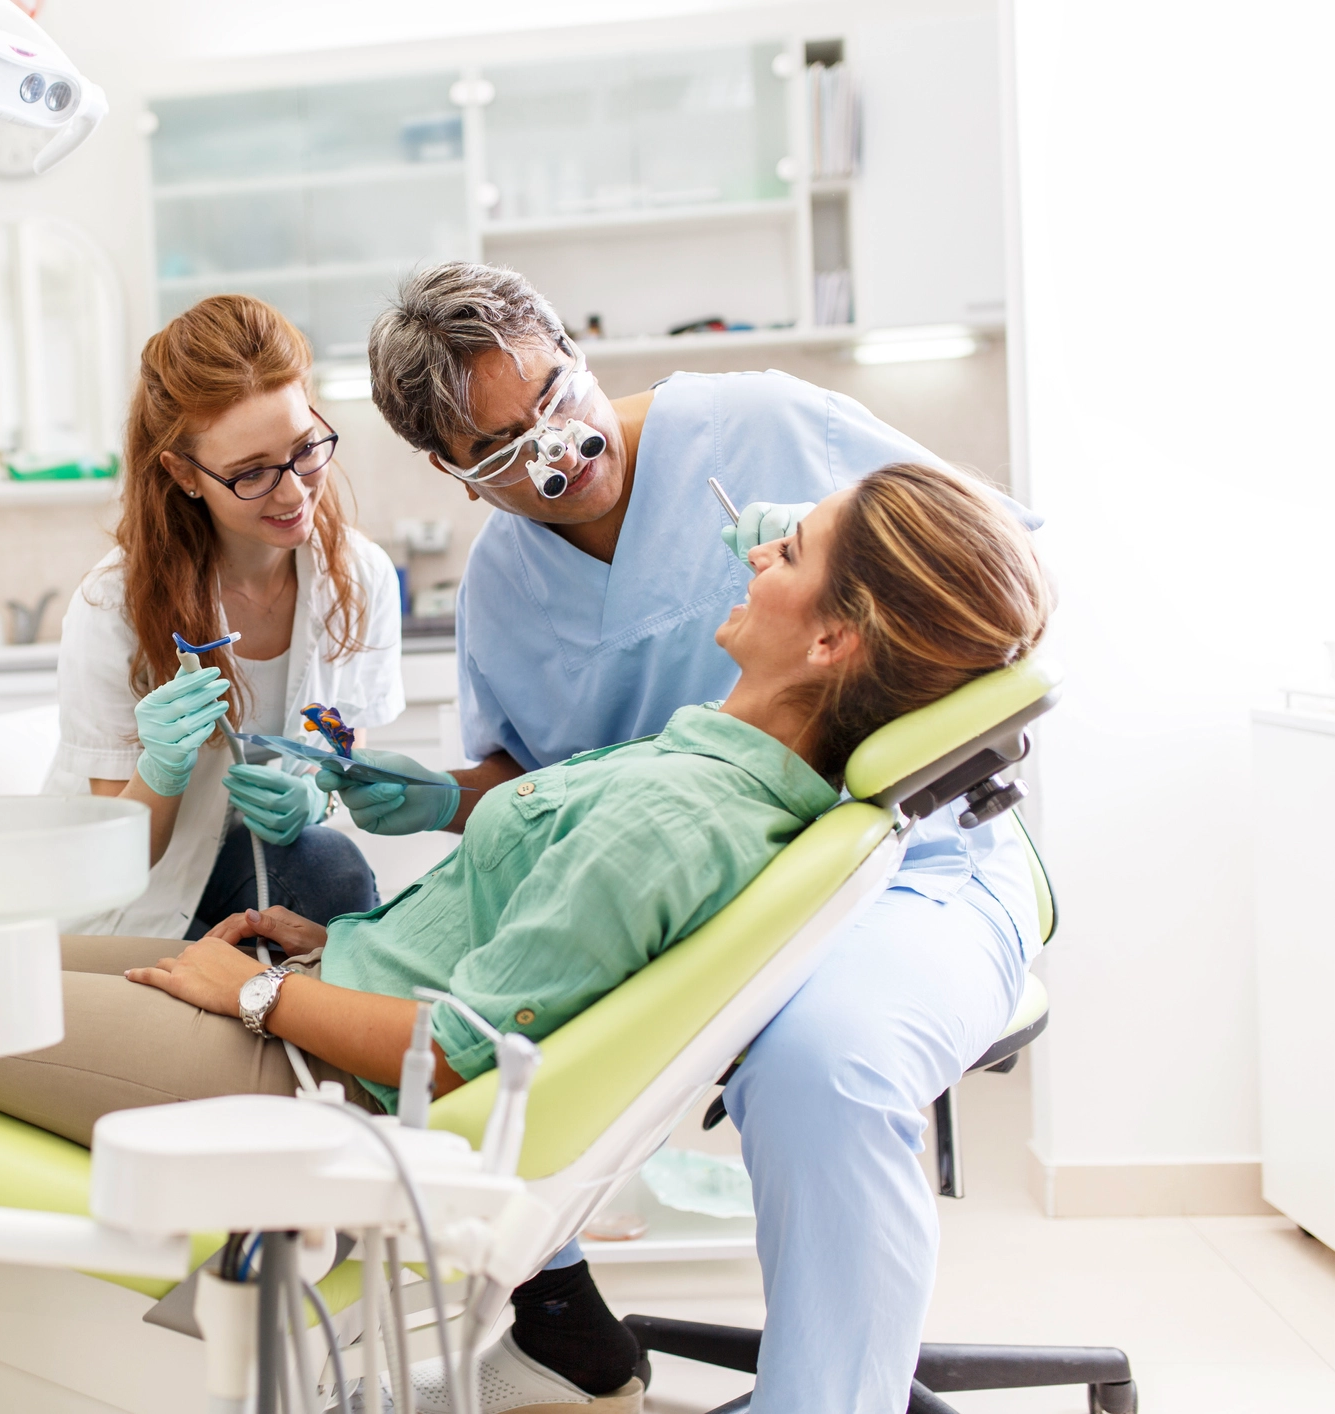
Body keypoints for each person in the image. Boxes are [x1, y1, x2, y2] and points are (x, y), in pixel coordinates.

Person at [0, 464, 1051, 1414]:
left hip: (299, 1070)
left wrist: (251, 997)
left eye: (792, 553)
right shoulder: (709, 769)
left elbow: (455, 1048)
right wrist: (331, 938)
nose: (756, 547)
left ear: (840, 642)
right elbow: (512, 950)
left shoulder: (676, 817)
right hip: (314, 993)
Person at [340, 262, 1049, 1414]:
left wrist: (841, 602)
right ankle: (556, 1312)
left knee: (823, 1062)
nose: (555, 450)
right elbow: (540, 782)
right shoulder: (505, 591)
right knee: (471, 1009)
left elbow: (1002, 574)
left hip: (908, 867)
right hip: (691, 910)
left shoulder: (762, 427)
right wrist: (435, 795)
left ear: (576, 345)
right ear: (453, 475)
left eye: (555, 401)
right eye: (503, 451)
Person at [45, 295, 405, 939]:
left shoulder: (361, 574)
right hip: (139, 899)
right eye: (252, 473)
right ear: (184, 473)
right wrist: (159, 772)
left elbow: (347, 742)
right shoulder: (113, 607)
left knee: (328, 864)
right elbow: (117, 859)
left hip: (267, 870)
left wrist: (319, 797)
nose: (294, 491)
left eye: (304, 449)